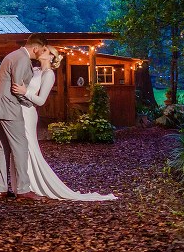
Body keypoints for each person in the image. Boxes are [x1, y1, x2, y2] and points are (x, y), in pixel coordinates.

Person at [11, 45, 117, 201]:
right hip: (19, 110)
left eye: (45, 51)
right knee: (19, 148)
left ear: (52, 57)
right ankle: (21, 185)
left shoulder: (49, 75)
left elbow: (40, 100)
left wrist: (25, 92)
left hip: (29, 112)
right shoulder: (35, 70)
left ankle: (31, 185)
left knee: (28, 148)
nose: (41, 51)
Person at [0, 33, 47, 201]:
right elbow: (17, 87)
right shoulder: (22, 59)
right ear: (35, 48)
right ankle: (23, 189)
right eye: (40, 51)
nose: (40, 54)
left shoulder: (12, 55)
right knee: (21, 146)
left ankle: (2, 188)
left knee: (3, 147)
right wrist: (28, 104)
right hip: (9, 107)